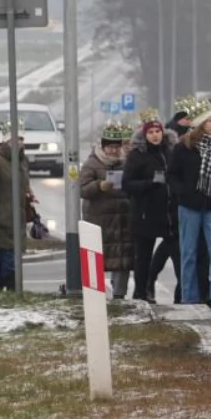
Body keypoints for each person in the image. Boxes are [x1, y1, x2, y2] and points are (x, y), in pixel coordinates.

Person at [167, 99, 211, 310]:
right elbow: (172, 176)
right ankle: (189, 295)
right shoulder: (183, 147)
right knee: (188, 251)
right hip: (189, 205)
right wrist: (183, 192)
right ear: (201, 123)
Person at [124, 110, 177, 304]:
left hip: (168, 213)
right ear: (145, 135)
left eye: (158, 131)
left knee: (175, 252)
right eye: (151, 132)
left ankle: (177, 291)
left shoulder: (169, 152)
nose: (155, 135)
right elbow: (126, 184)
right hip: (145, 213)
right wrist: (149, 183)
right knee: (143, 257)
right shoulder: (137, 155)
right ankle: (141, 292)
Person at [81, 121, 135, 299]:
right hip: (99, 220)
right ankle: (94, 295)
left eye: (116, 147)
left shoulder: (126, 163)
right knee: (96, 258)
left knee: (122, 260)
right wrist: (98, 186)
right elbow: (82, 189)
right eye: (109, 147)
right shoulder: (92, 164)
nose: (113, 151)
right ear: (103, 147)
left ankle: (119, 295)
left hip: (122, 220)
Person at [0, 120, 33, 292]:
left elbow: (22, 183)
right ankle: (11, 294)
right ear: (6, 141)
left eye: (21, 139)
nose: (18, 143)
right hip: (3, 219)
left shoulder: (22, 160)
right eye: (14, 140)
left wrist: (28, 193)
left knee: (7, 260)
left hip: (18, 218)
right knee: (9, 261)